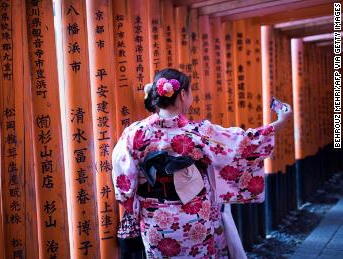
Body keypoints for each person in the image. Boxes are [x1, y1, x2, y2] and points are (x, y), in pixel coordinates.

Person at [112, 68, 292, 258]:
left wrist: (140, 210)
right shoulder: (198, 133)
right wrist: (281, 121)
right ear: (182, 95)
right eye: (190, 91)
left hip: (155, 219)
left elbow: (123, 181)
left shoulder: (134, 133)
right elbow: (242, 143)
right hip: (195, 217)